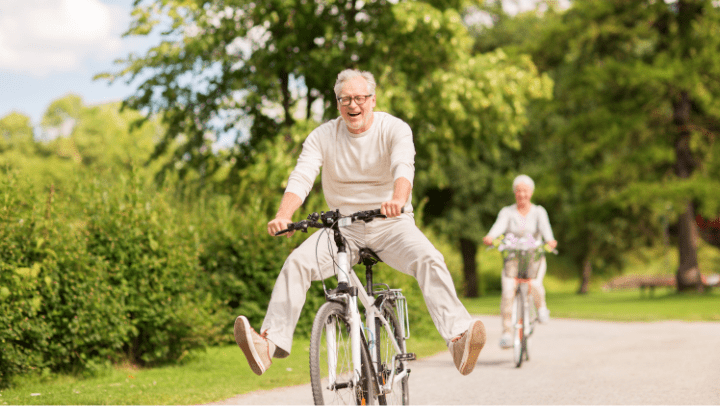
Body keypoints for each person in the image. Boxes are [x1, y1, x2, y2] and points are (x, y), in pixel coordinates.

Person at [234, 68, 486, 377]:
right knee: (297, 263)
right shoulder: (323, 135)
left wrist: (398, 198)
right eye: (345, 99)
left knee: (429, 258)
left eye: (359, 98)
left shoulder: (394, 128)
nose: (353, 105)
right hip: (342, 229)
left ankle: (458, 338)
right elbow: (302, 175)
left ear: (372, 100)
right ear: (337, 103)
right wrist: (284, 214)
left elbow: (403, 166)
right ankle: (268, 345)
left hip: (391, 224)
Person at [482, 175, 557, 349]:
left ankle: (541, 308)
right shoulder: (507, 212)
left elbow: (547, 231)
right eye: (518, 191)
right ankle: (507, 333)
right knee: (508, 291)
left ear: (531, 193)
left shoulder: (539, 212)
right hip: (513, 257)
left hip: (534, 257)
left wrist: (550, 240)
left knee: (535, 284)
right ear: (515, 193)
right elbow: (498, 226)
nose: (522, 194)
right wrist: (491, 236)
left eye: (525, 191)